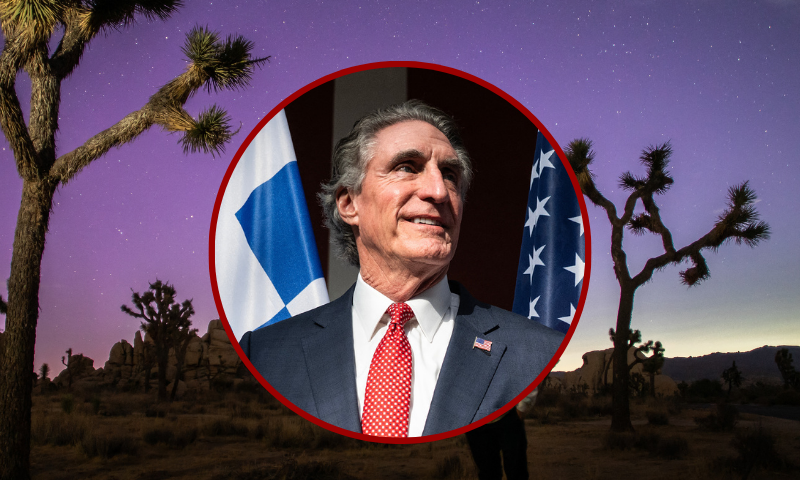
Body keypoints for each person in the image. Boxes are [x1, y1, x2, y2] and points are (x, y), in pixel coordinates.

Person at [240, 100, 563, 437]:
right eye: (407, 167)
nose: (439, 191)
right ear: (350, 204)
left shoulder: (539, 353)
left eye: (450, 175)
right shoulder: (264, 355)